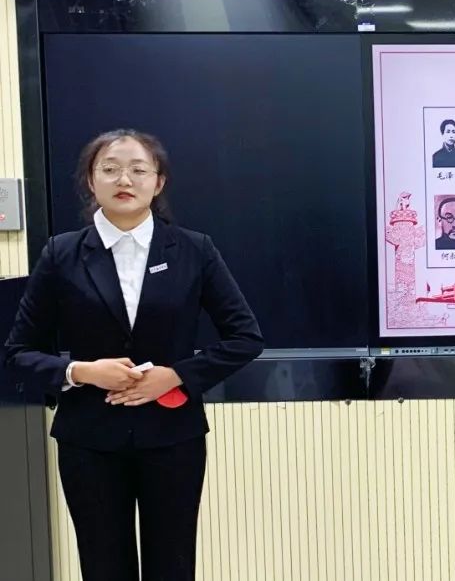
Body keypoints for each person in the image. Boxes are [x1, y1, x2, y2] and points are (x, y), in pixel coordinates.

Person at [4, 129, 264, 581]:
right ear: (91, 180)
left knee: (172, 565)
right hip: (89, 439)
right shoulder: (61, 253)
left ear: (158, 182)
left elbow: (245, 337)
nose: (124, 179)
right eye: (110, 169)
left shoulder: (194, 249)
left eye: (138, 169)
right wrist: (81, 371)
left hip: (172, 436)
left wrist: (176, 375)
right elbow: (18, 352)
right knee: (103, 567)